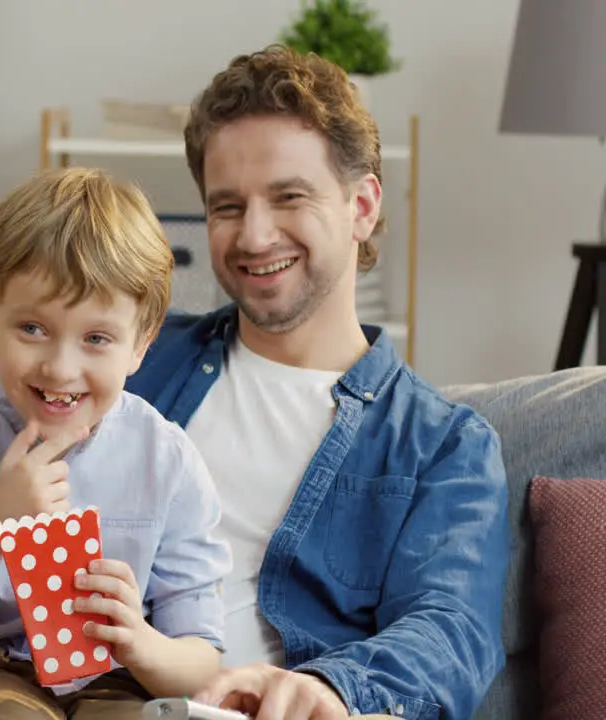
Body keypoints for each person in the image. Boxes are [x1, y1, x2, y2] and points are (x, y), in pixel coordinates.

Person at [123, 46, 508, 720]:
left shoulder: (443, 447)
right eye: (227, 207)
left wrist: (332, 686)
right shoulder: (135, 357)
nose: (254, 235)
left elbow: (449, 631)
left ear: (361, 205)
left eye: (288, 197)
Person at [0, 167, 233, 720]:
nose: (62, 368)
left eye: (96, 339)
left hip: (112, 681)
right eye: (33, 329)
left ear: (140, 345)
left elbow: (200, 656)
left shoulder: (167, 459)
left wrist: (139, 641)